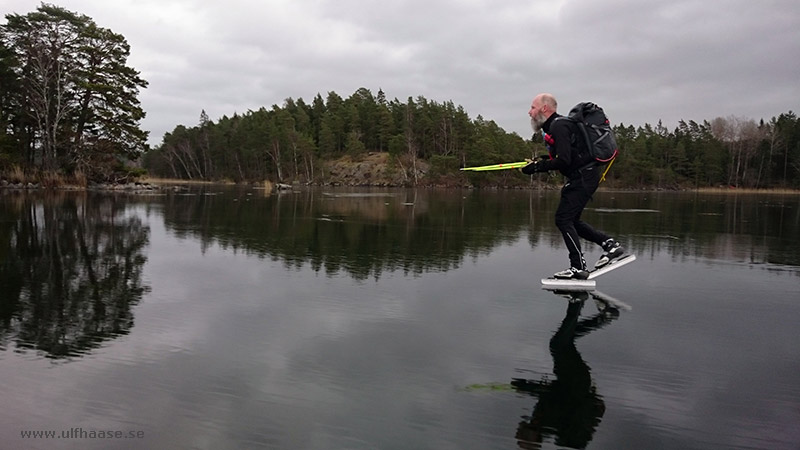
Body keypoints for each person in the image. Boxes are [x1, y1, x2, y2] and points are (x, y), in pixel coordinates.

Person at [521, 93, 624, 280]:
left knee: (563, 219)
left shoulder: (559, 125)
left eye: (533, 108)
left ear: (545, 108)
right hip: (584, 176)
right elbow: (567, 157)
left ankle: (578, 267)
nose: (530, 112)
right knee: (572, 220)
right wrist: (541, 162)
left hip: (583, 177)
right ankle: (610, 244)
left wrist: (537, 167)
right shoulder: (558, 125)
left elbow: (564, 160)